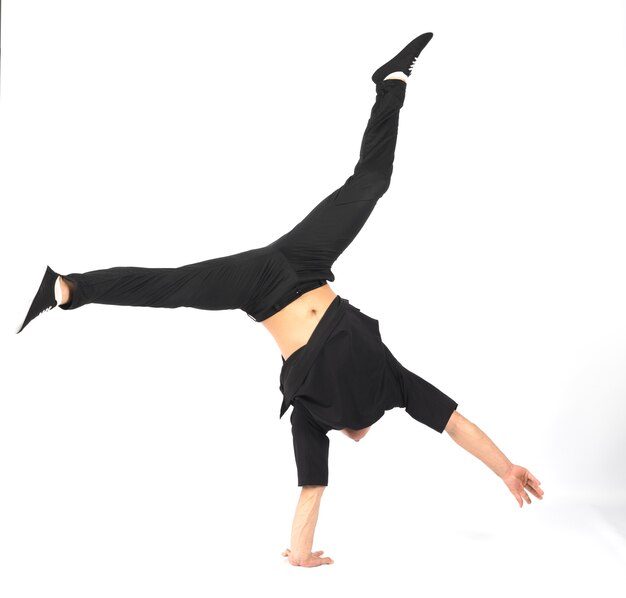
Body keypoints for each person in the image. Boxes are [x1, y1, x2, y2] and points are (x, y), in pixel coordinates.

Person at [17, 33, 544, 568]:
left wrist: (299, 553)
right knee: (371, 184)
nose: (360, 437)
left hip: (259, 290)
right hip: (305, 263)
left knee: (174, 287)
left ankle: (69, 288)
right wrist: (504, 468)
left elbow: (311, 491)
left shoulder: (313, 419)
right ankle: (391, 83)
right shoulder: (394, 385)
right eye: (363, 433)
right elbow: (456, 423)